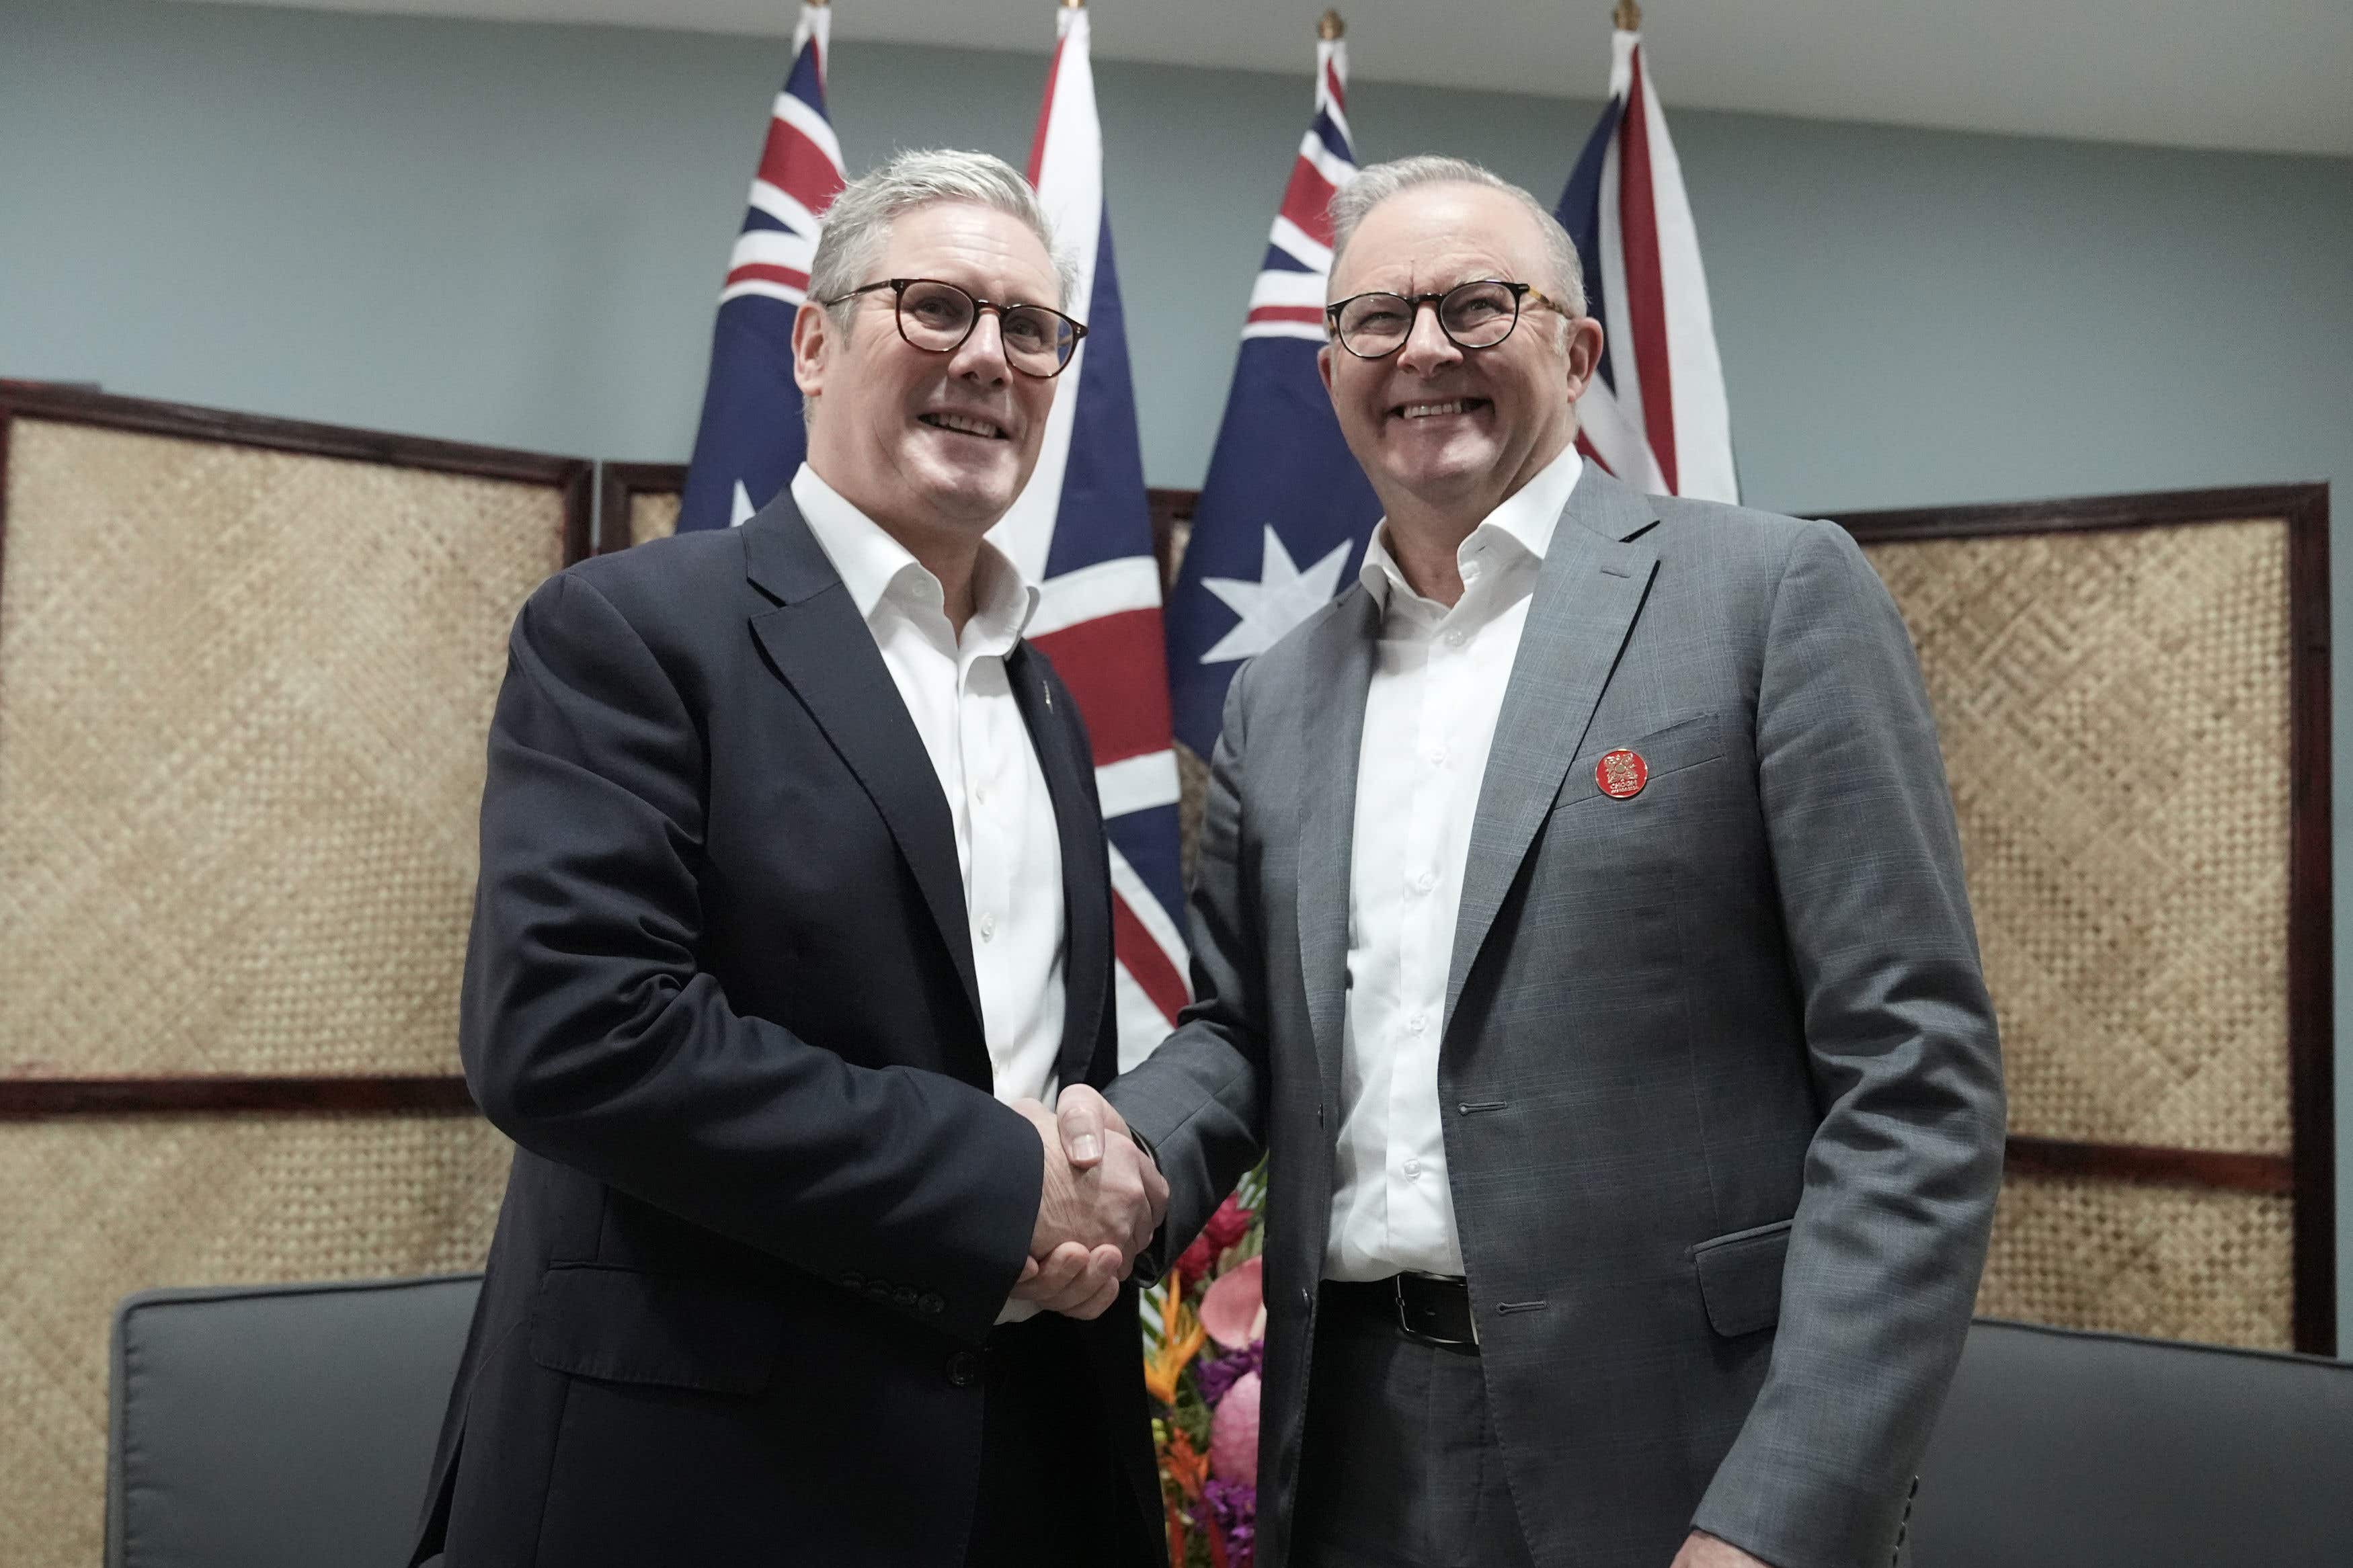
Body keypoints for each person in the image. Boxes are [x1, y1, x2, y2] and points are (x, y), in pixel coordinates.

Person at [1060, 155, 2005, 1568]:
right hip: (1351, 1443)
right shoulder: (1280, 693)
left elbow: (1915, 1087)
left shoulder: (1768, 596)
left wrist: (1785, 1508)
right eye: (1376, 318)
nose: (1423, 348)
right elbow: (1244, 1032)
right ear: (1328, 369)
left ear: (1578, 349)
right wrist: (1119, 1149)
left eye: (1475, 304)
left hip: (1687, 1452)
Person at [409, 149, 1168, 1568]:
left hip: (1021, 1467)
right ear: (813, 343)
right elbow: (572, 1034)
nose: (987, 359)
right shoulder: (631, 631)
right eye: (937, 307)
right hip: (705, 1479)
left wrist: (1093, 1170)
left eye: (1029, 328)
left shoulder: (1045, 695)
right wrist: (997, 1182)